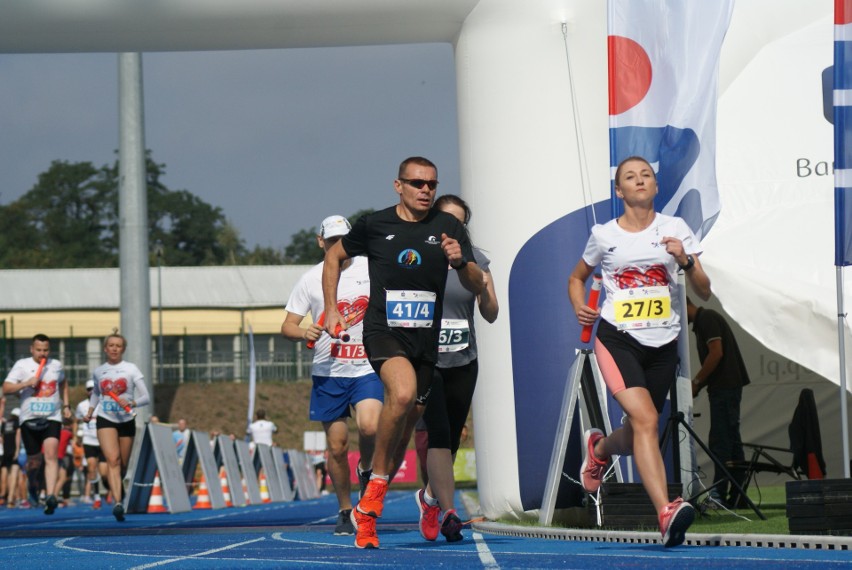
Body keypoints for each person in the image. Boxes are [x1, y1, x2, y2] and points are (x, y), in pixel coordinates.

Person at [322, 157, 484, 549]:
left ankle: (371, 508)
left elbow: (478, 282)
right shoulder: (374, 224)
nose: (425, 190)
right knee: (404, 392)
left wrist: (460, 262)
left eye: (431, 184)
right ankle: (375, 491)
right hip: (383, 334)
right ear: (399, 185)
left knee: (403, 429)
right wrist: (331, 308)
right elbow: (333, 258)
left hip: (425, 344)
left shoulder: (449, 228)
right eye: (417, 183)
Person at [568, 156, 711, 548]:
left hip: (663, 343)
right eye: (630, 177)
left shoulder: (675, 229)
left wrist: (684, 258)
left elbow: (704, 289)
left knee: (638, 432)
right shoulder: (604, 234)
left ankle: (597, 449)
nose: (640, 180)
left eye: (646, 175)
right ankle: (665, 511)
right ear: (620, 191)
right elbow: (577, 277)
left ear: (655, 186)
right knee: (647, 419)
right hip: (618, 339)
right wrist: (579, 303)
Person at [282, 214, 384, 537]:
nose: (338, 246)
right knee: (337, 445)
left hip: (367, 366)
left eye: (343, 240)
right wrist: (303, 332)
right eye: (331, 241)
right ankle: (343, 508)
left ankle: (366, 469)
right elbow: (287, 325)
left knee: (370, 425)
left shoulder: (369, 268)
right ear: (320, 241)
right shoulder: (310, 279)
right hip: (329, 372)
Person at [414, 194, 499, 543]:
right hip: (426, 359)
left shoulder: (476, 259)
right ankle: (449, 512)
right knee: (437, 433)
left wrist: (483, 289)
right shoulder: (417, 255)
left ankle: (429, 497)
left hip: (463, 359)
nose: (452, 228)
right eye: (446, 220)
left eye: (459, 222)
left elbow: (491, 312)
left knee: (449, 439)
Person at [686, 297, 750, 508]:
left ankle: (718, 495)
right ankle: (737, 495)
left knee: (721, 441)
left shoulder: (707, 318)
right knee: (731, 442)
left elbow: (716, 353)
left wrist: (696, 382)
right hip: (725, 388)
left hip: (725, 388)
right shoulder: (703, 321)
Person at [2, 333, 72, 515]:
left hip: (52, 417)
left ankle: (50, 496)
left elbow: (63, 383)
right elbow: (6, 388)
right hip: (29, 418)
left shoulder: (56, 365)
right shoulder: (22, 365)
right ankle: (32, 485)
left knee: (50, 455)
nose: (43, 354)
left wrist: (66, 405)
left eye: (46, 350)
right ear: (31, 349)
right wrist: (26, 383)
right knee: (34, 461)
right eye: (39, 350)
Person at [84, 331, 150, 522]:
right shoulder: (99, 371)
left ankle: (115, 488)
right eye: (111, 345)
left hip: (126, 419)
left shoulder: (131, 369)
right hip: (105, 419)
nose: (114, 349)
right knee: (112, 460)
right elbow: (96, 393)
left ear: (123, 349)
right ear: (105, 349)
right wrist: (90, 410)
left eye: (118, 346)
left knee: (121, 465)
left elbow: (146, 396)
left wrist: (133, 403)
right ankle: (118, 503)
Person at [75, 379, 104, 507]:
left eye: (93, 388)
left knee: (104, 472)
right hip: (89, 440)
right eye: (89, 389)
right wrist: (75, 436)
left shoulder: (103, 404)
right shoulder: (81, 406)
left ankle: (114, 493)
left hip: (103, 441)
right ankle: (97, 496)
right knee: (91, 469)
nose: (91, 391)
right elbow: (75, 421)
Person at [1, 408, 21, 508]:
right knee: (14, 475)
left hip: (5, 452)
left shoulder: (5, 423)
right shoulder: (17, 423)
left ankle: (5, 496)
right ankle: (10, 499)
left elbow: (2, 438)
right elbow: (18, 436)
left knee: (6, 474)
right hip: (13, 451)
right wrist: (17, 450)